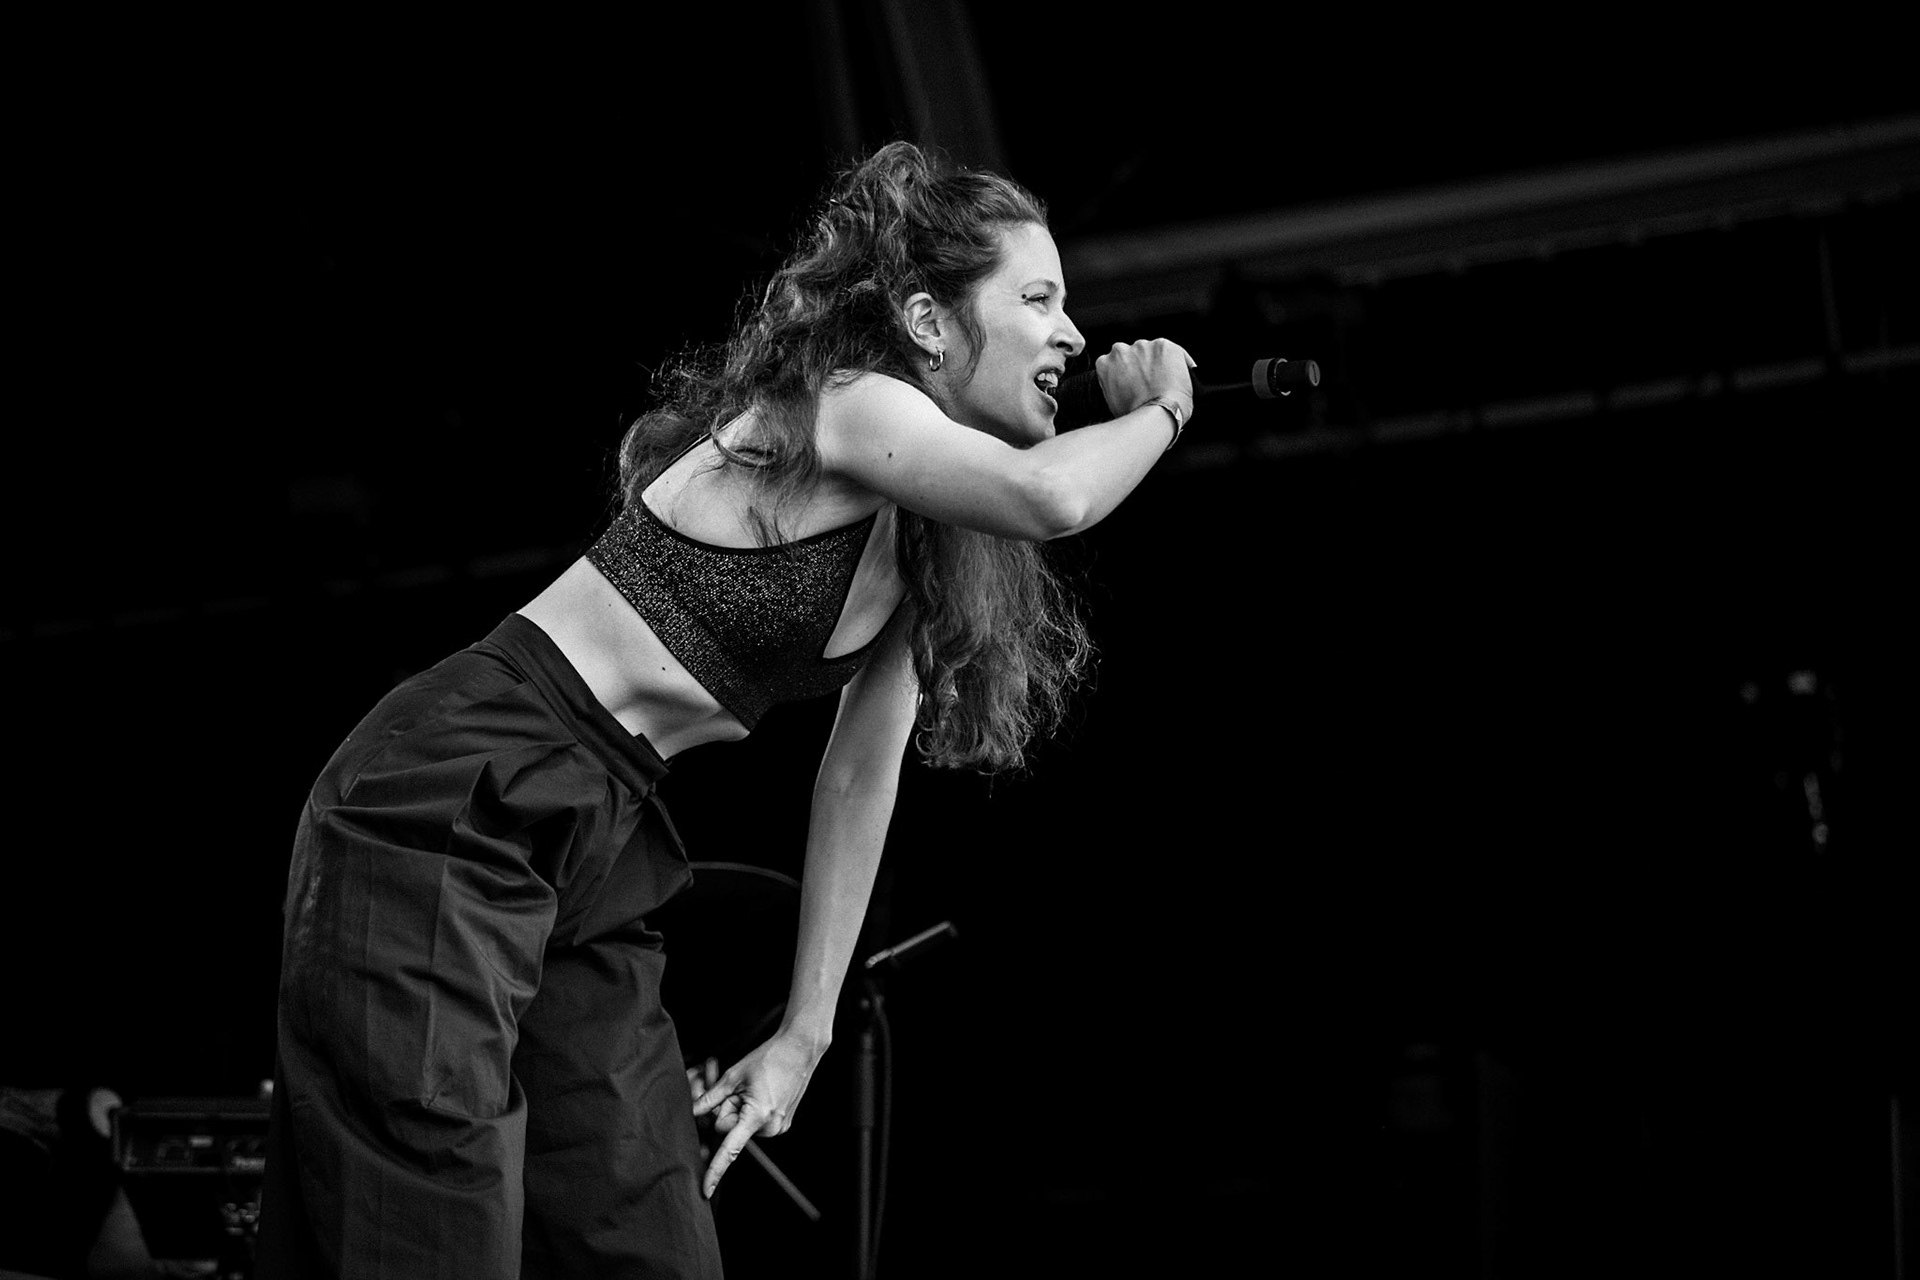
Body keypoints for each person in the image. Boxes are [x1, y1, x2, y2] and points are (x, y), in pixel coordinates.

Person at [254, 139, 1195, 1279]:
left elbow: (858, 776)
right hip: (465, 782)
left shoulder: (922, 540)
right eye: (1039, 300)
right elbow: (1054, 495)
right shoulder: (851, 403)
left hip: (595, 838)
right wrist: (1167, 409)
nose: (1074, 335)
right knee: (429, 1229)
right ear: (932, 323)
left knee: (640, 1235)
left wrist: (802, 1037)